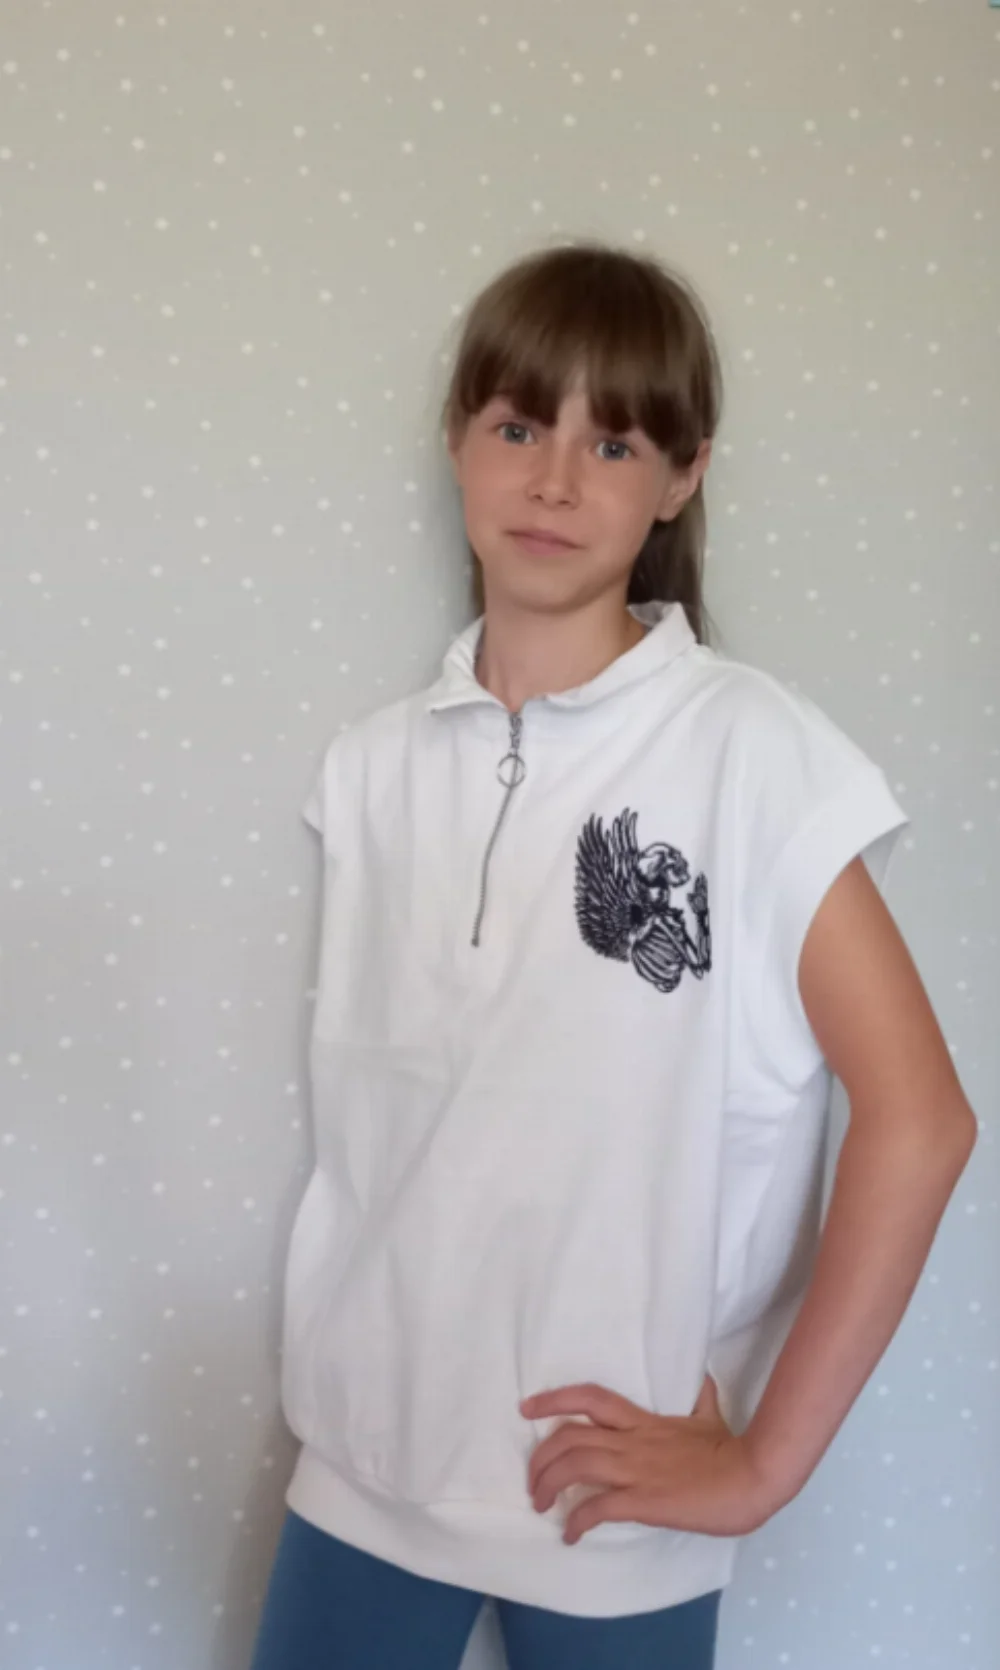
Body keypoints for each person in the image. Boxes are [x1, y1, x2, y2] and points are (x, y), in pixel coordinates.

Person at [249, 240, 977, 1670]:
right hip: (363, 1456)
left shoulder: (753, 754)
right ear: (457, 439)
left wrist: (763, 1464)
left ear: (683, 476)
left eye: (616, 443)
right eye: (520, 427)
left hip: (615, 1488)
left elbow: (923, 1118)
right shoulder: (370, 769)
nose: (556, 481)